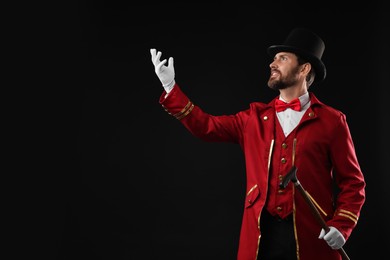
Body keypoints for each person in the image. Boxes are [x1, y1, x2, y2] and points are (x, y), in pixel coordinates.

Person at [150, 28, 366, 260]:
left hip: (311, 236)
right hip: (261, 237)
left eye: (282, 58)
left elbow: (353, 183)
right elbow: (206, 126)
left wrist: (341, 225)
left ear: (304, 69)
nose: (273, 64)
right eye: (274, 58)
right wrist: (171, 87)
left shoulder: (332, 121)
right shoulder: (252, 118)